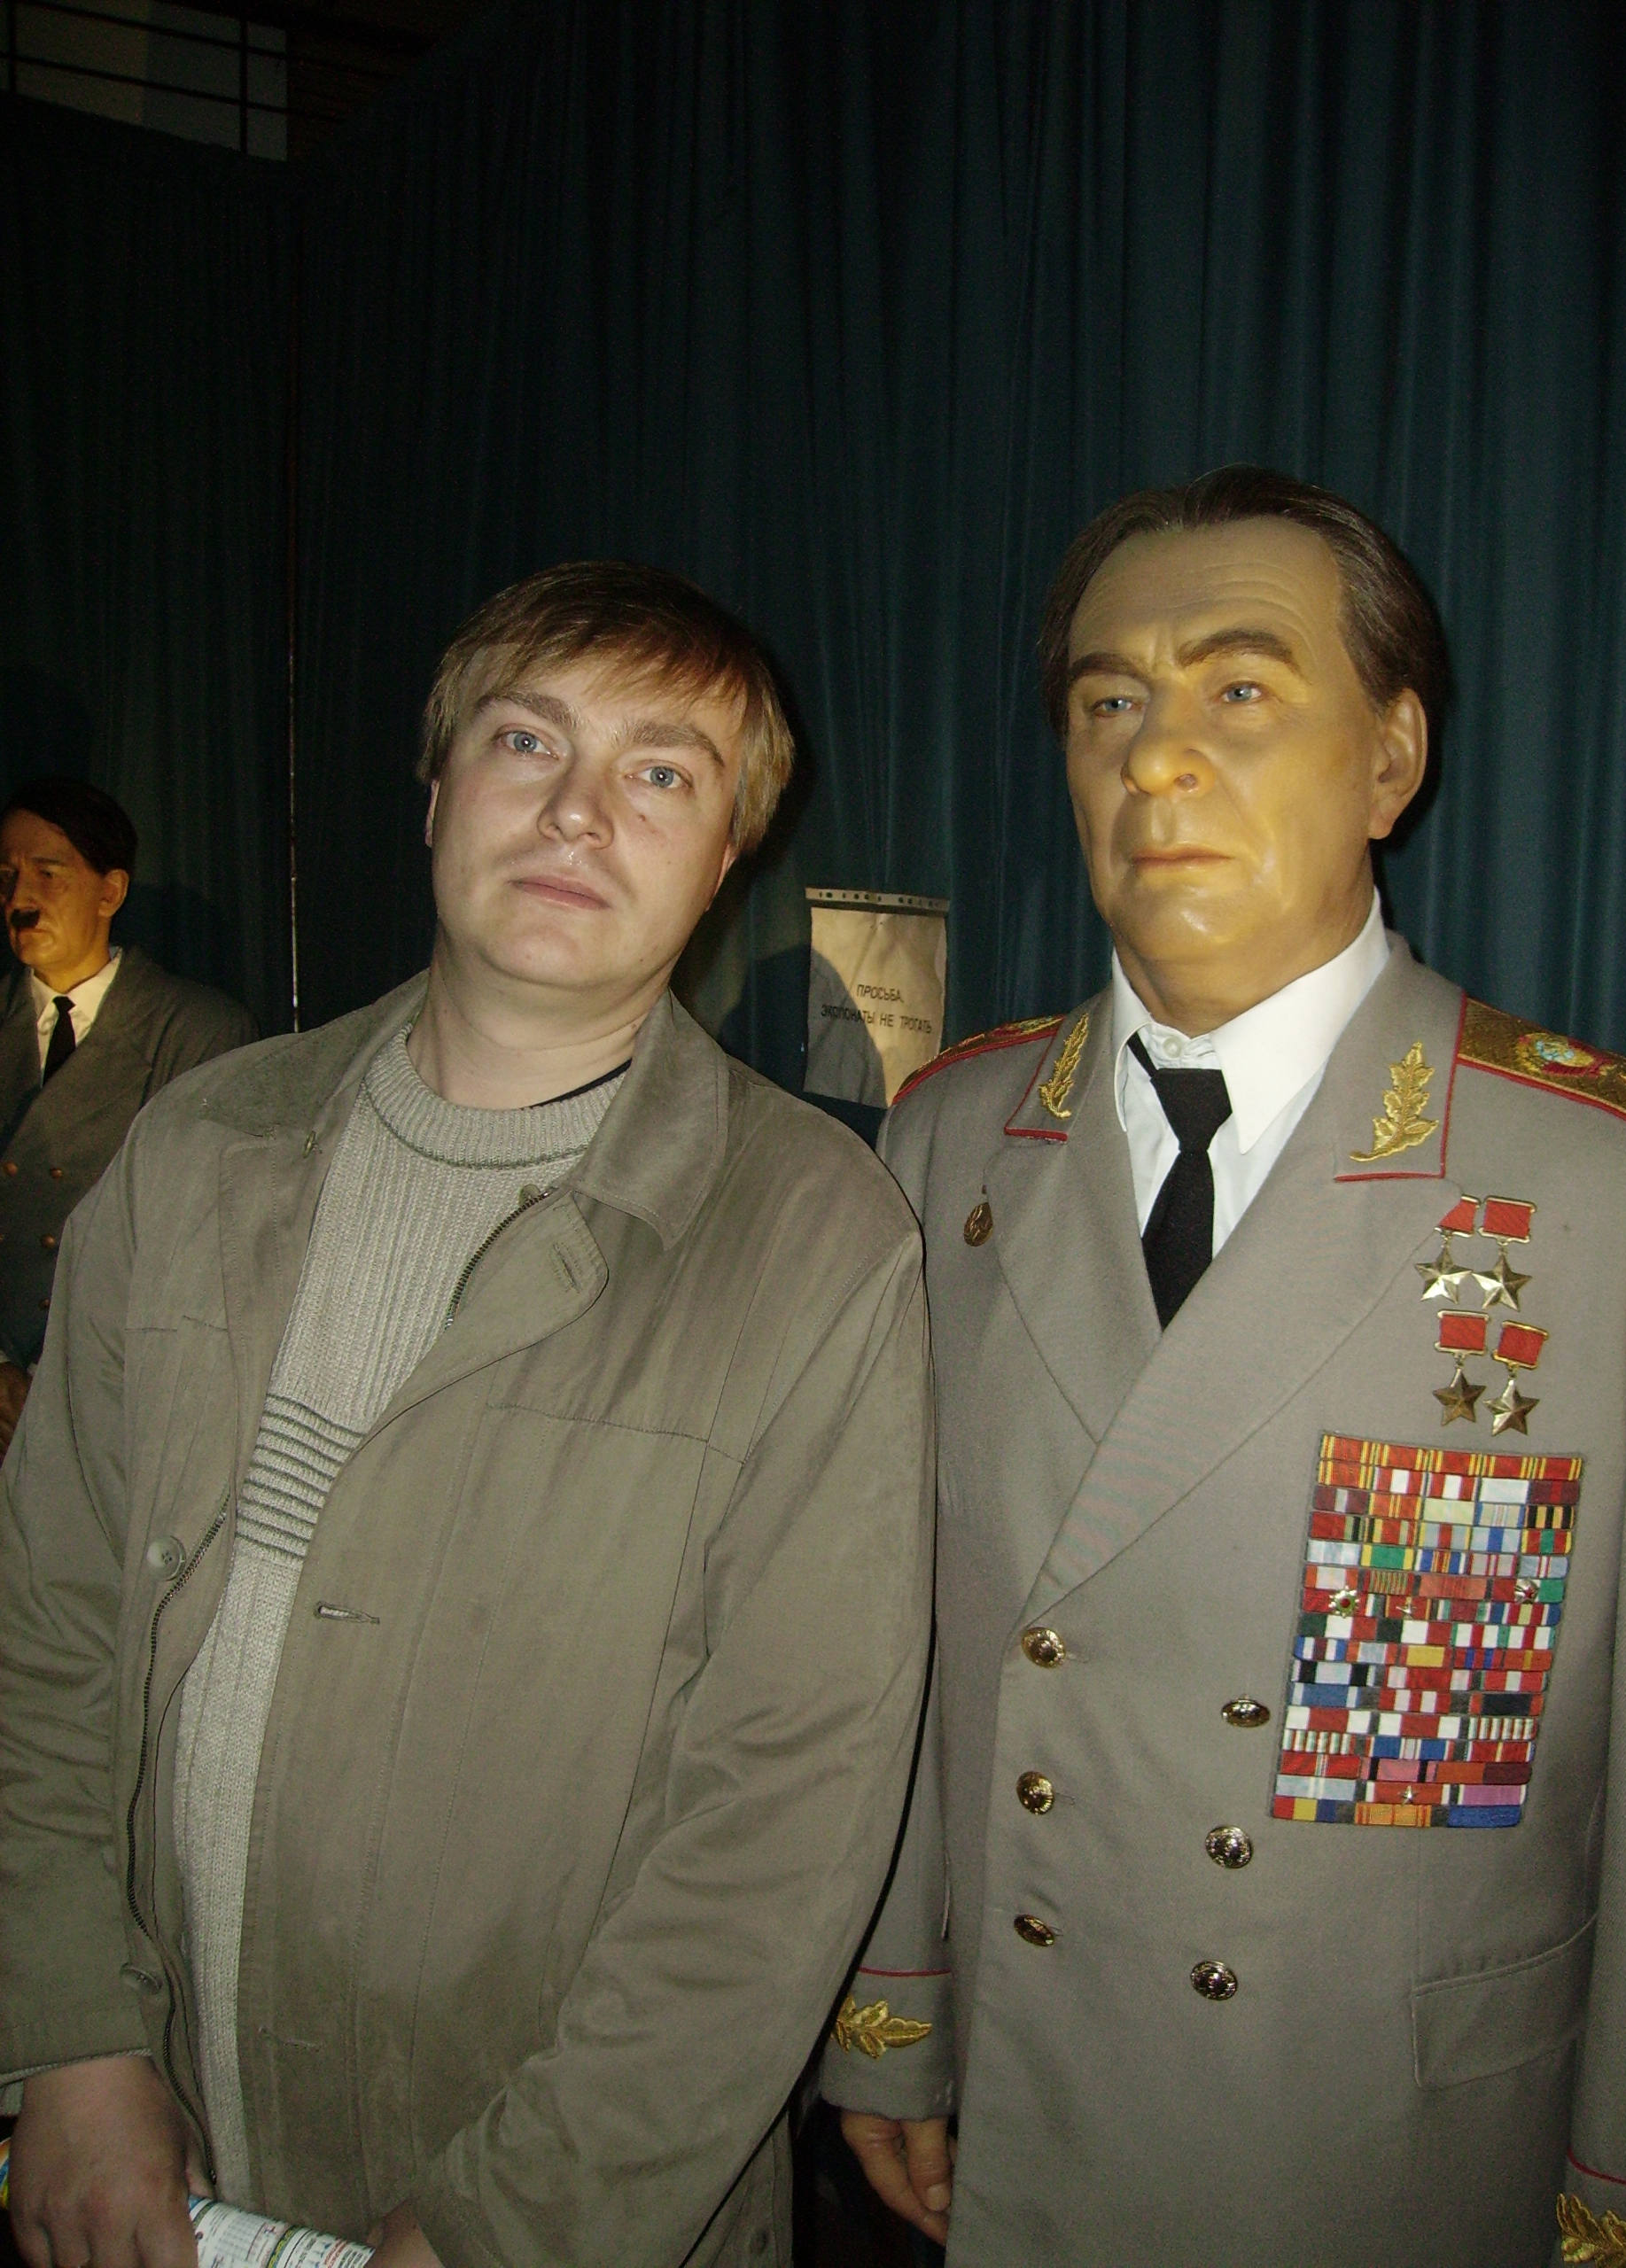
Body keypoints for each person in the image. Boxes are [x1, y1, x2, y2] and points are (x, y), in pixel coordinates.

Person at [0, 562, 935, 2268]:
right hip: (162, 2158)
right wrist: (63, 2034)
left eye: (662, 772)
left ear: (729, 855)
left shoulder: (816, 1241)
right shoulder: (195, 1153)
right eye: (526, 741)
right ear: (436, 789)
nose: (579, 809)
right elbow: (45, 1628)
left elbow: (781, 1829)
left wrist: (518, 2221)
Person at [822, 469, 1626, 2265]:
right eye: (1107, 702)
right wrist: (895, 2008)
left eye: (1239, 688)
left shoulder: (1622, 1195)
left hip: (1394, 2138)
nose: (1154, 757)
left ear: (1391, 759)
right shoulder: (952, 1140)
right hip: (1032, 2092)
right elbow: (894, 1625)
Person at [0, 777, 255, 1449]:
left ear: (109, 892)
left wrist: (50, 1385)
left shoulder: (198, 1033)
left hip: (116, 1400)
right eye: (7, 876)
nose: (20, 899)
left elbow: (197, 1239)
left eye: (47, 874)